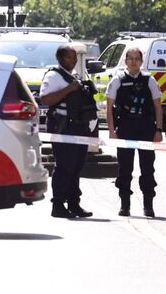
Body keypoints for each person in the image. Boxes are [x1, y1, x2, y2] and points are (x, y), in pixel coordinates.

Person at [106, 47, 163, 217]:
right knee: (125, 168)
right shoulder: (117, 80)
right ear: (125, 61)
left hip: (146, 128)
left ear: (141, 61)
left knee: (147, 168)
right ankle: (125, 205)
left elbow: (157, 106)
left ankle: (148, 205)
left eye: (136, 58)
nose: (133, 61)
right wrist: (111, 131)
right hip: (125, 128)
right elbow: (109, 107)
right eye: (130, 58)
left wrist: (158, 129)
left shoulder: (149, 80)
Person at [39, 44, 95, 219]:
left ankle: (74, 204)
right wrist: (69, 89)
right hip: (62, 127)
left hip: (79, 127)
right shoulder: (54, 76)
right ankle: (58, 205)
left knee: (77, 166)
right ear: (61, 58)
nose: (74, 60)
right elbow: (45, 99)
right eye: (70, 57)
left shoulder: (74, 76)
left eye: (75, 57)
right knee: (65, 166)